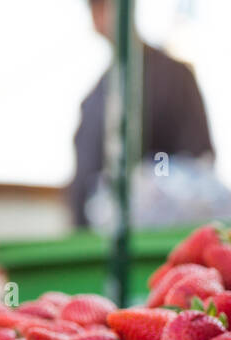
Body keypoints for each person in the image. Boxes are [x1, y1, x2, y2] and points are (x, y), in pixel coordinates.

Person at [69, 0, 215, 228]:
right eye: (94, 8)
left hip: (158, 235)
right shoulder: (94, 99)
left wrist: (155, 188)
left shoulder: (173, 78)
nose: (101, 16)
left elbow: (191, 160)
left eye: (106, 6)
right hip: (97, 238)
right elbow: (83, 179)